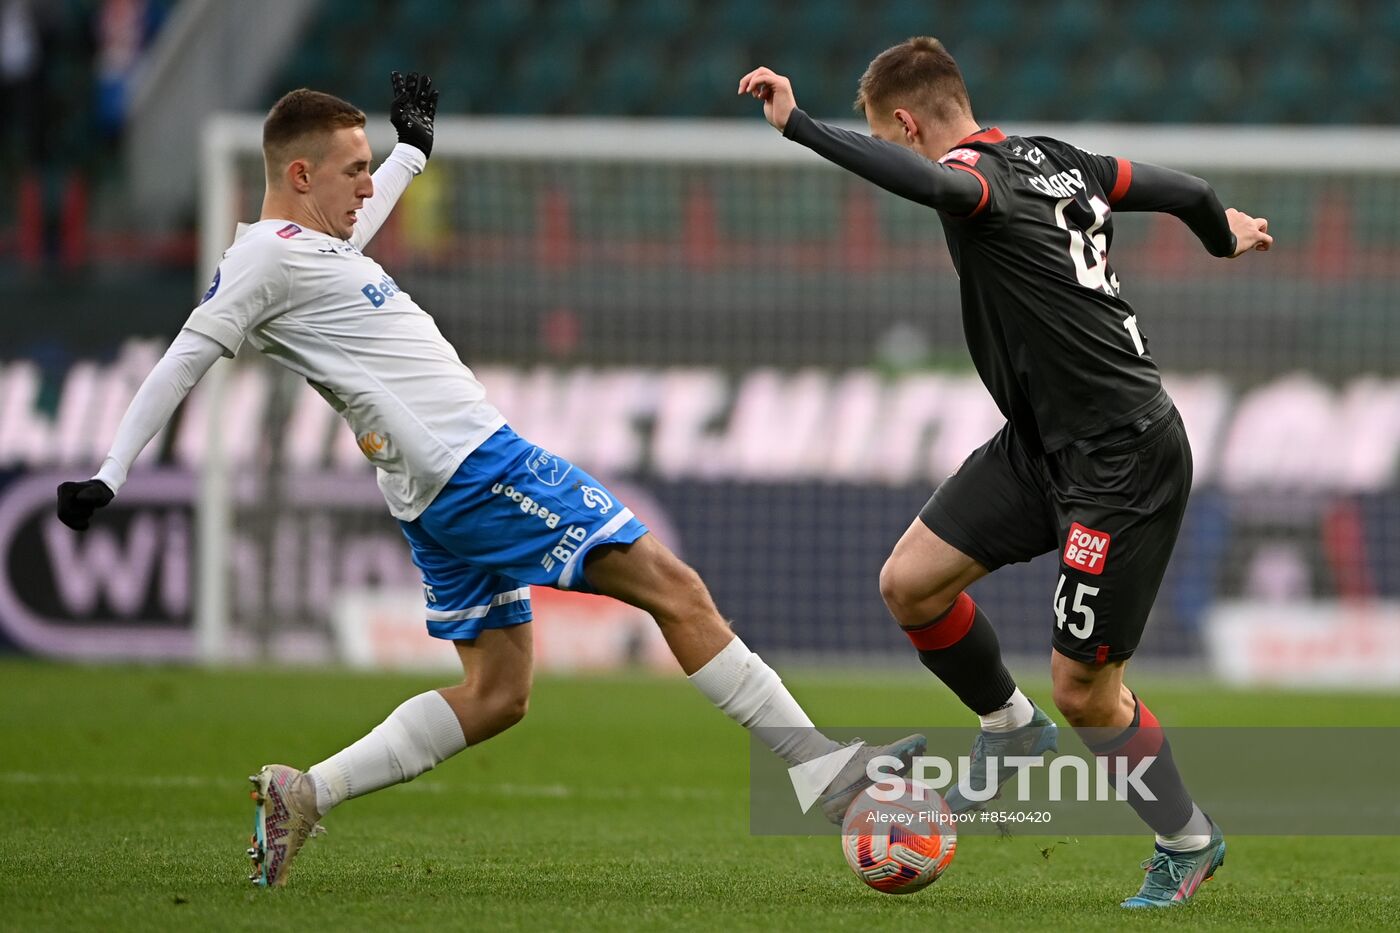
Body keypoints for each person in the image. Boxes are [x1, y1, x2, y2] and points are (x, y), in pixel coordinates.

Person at [55, 72, 922, 888]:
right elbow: (185, 356)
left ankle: (305, 792)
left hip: (430, 492)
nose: (366, 188)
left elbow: (358, 218)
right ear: (299, 172)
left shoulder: (307, 244)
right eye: (352, 170)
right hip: (474, 467)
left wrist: (410, 153)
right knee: (675, 588)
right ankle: (826, 775)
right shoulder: (263, 264)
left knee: (498, 693)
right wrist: (109, 472)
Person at [740, 37, 1271, 909]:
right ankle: (1009, 729)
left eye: (894, 138)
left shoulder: (974, 181)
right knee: (911, 584)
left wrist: (800, 125)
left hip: (1123, 459)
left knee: (1087, 692)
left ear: (906, 123)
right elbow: (1193, 193)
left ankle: (1188, 839)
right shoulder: (1063, 161)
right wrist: (1226, 237)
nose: (906, 152)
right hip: (1039, 444)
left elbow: (939, 185)